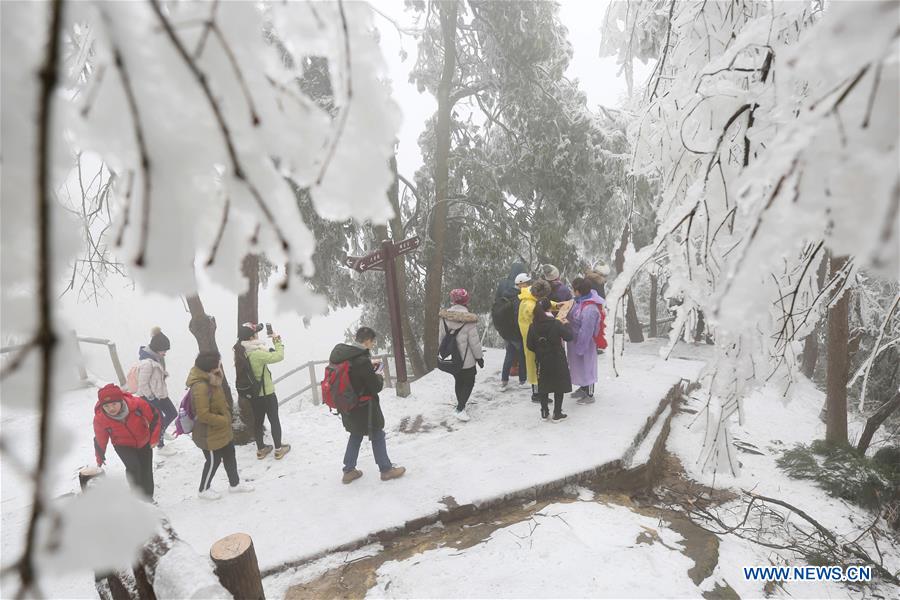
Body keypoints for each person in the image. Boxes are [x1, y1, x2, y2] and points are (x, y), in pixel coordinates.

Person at [328, 327, 406, 484]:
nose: (373, 344)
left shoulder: (345, 356)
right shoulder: (361, 361)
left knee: (356, 434)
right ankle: (386, 470)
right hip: (365, 407)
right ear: (367, 340)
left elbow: (354, 377)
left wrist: (369, 368)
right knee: (377, 433)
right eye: (373, 341)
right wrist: (378, 376)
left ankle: (349, 470)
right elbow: (375, 387)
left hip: (348, 404)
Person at [188, 351, 254, 499]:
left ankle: (235, 484)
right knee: (213, 460)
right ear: (210, 367)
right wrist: (224, 420)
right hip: (208, 433)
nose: (220, 364)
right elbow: (203, 415)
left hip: (221, 428)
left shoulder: (212, 378)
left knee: (230, 454)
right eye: (218, 362)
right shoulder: (200, 386)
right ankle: (203, 489)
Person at [93, 383, 160, 500]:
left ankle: (149, 498)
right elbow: (100, 440)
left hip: (144, 440)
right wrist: (99, 458)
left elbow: (155, 417)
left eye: (114, 404)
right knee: (134, 467)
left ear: (121, 401)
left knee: (146, 470)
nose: (111, 409)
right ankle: (138, 498)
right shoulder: (100, 419)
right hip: (122, 445)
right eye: (107, 406)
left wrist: (154, 438)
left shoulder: (137, 404)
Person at [237, 322, 291, 460]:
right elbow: (279, 356)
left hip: (254, 395)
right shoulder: (256, 354)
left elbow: (264, 352)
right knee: (274, 420)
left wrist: (267, 349)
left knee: (258, 422)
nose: (257, 335)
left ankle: (261, 450)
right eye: (255, 333)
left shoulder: (242, 351)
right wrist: (277, 340)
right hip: (266, 394)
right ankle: (279, 450)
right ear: (250, 338)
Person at [439, 288, 484, 421]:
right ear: (466, 301)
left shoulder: (444, 318)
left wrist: (443, 353)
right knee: (469, 381)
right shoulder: (468, 320)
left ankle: (461, 405)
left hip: (452, 358)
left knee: (458, 380)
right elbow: (474, 342)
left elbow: (441, 338)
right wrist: (479, 358)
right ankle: (460, 408)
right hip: (467, 360)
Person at [527, 298, 574, 422]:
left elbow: (529, 345)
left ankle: (544, 412)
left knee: (543, 383)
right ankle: (557, 413)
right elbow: (569, 337)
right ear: (549, 309)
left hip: (542, 359)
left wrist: (540, 349)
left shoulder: (533, 326)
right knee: (559, 385)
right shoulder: (556, 323)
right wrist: (567, 324)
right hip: (557, 357)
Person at [136, 327, 177, 455]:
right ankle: (160, 446)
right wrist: (151, 397)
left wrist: (162, 375)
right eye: (163, 350)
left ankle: (161, 432)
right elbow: (142, 383)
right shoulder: (147, 362)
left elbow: (153, 375)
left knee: (172, 413)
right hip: (151, 397)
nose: (165, 353)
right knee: (158, 420)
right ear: (156, 348)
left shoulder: (155, 358)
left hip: (160, 393)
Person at [568, 278, 604, 404]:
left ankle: (589, 394)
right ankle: (582, 388)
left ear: (578, 291)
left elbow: (587, 331)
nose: (572, 291)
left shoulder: (590, 309)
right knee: (579, 366)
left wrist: (581, 346)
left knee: (588, 366)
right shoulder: (579, 301)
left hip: (586, 342)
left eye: (573, 289)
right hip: (576, 340)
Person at [494, 268, 530, 390]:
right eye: (526, 283)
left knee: (509, 355)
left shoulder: (506, 293)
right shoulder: (517, 297)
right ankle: (522, 380)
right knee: (521, 355)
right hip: (515, 332)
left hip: (506, 332)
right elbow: (517, 316)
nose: (528, 286)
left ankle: (504, 381)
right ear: (520, 284)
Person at [519, 278, 552, 403]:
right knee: (535, 366)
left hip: (530, 337)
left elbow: (543, 304)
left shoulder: (528, 296)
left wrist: (554, 305)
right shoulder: (531, 306)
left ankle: (537, 391)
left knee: (534, 365)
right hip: (532, 339)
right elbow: (542, 318)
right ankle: (537, 394)